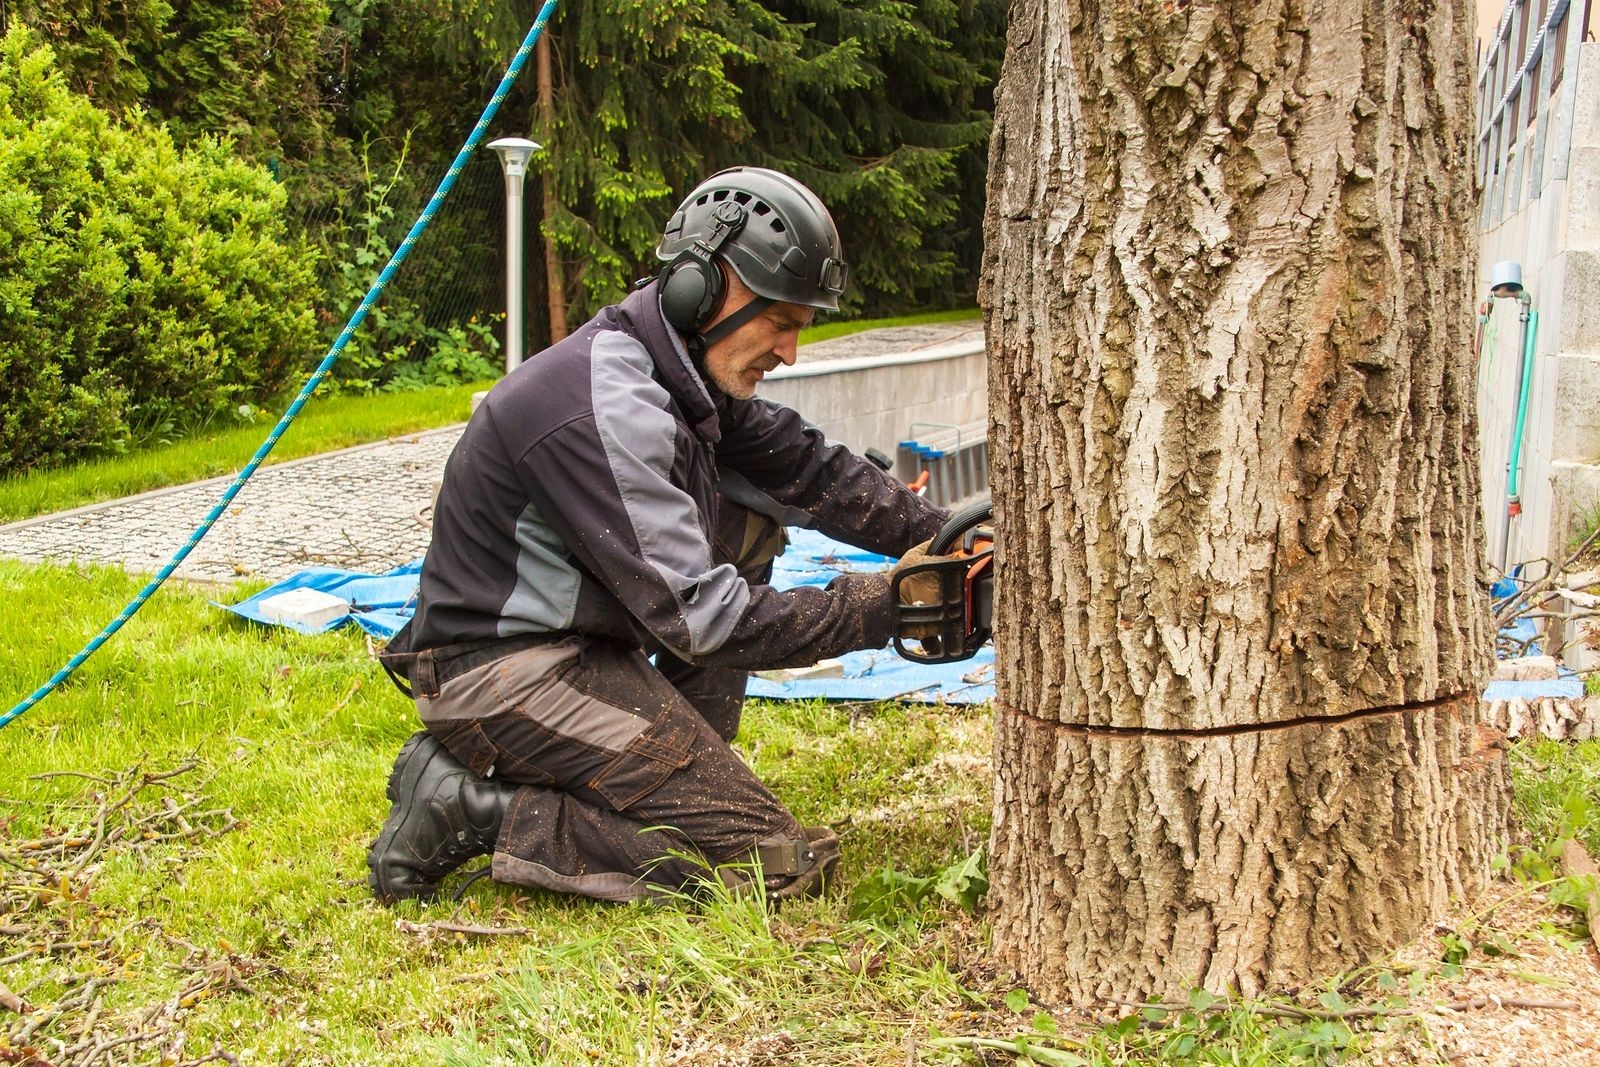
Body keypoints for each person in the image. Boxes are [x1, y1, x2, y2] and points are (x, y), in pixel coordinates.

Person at [367, 166, 950, 906]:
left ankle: (676, 769)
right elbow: (705, 618)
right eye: (783, 322)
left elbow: (812, 470)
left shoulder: (684, 374)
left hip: (583, 645)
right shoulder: (610, 403)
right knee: (771, 863)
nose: (791, 353)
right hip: (496, 671)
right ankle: (479, 809)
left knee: (752, 521)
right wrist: (887, 607)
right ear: (705, 287)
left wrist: (950, 534)